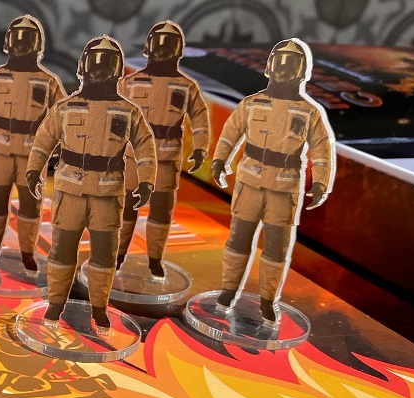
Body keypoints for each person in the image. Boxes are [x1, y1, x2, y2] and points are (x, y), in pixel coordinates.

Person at [25, 36, 156, 332]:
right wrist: (34, 170)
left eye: (107, 63)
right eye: (94, 62)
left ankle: (99, 308)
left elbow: (145, 146)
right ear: (82, 66)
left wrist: (146, 181)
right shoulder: (65, 108)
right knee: (62, 250)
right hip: (69, 191)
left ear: (118, 70)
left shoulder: (128, 112)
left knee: (104, 254)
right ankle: (56, 302)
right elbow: (43, 140)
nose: (100, 69)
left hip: (108, 193)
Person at [211, 38, 335, 323]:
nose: (284, 67)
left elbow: (322, 149)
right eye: (280, 61)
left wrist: (321, 183)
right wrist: (220, 160)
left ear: (302, 70)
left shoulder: (309, 112)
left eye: (291, 63)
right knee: (238, 238)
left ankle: (268, 300)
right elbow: (230, 133)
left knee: (277, 246)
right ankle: (228, 291)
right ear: (269, 65)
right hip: (249, 182)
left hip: (284, 186)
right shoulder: (252, 104)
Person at [0, 15, 65, 272]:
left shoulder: (48, 82)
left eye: (27, 39)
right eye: (17, 38)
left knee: (30, 206)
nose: (21, 44)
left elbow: (62, 116)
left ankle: (27, 252)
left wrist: (62, 144)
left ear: (37, 44)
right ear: (8, 42)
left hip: (33, 153)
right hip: (0, 151)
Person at [116, 21, 210, 279]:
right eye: (158, 43)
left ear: (178, 50)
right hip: (133, 159)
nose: (162, 49)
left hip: (166, 159)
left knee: (160, 211)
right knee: (127, 209)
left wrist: (200, 148)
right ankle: (118, 255)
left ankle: (155, 259)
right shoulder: (130, 83)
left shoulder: (186, 86)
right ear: (148, 47)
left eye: (169, 44)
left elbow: (199, 117)